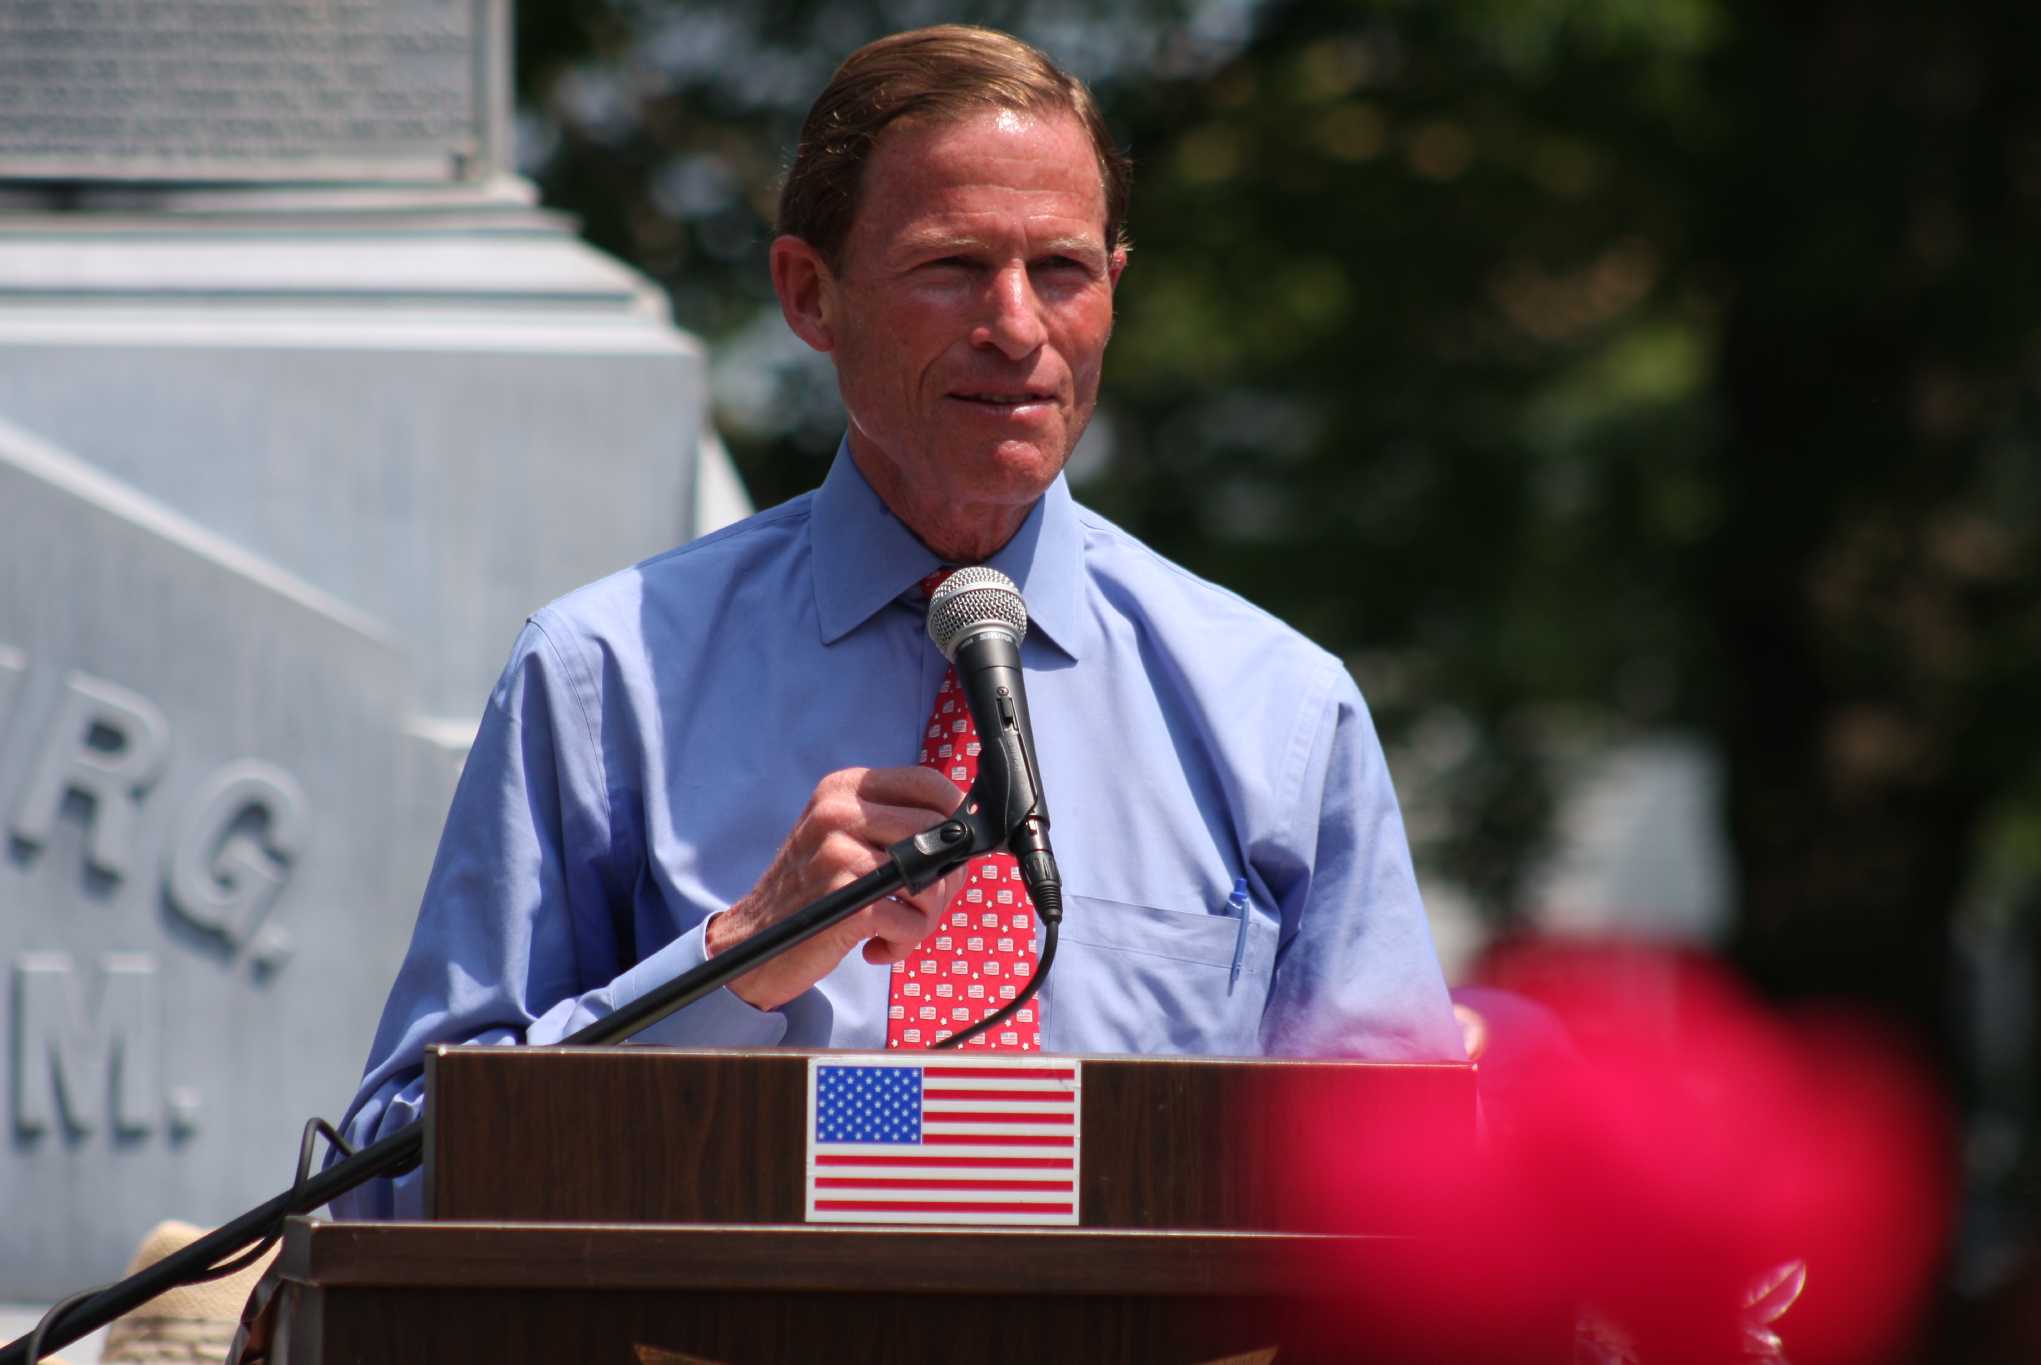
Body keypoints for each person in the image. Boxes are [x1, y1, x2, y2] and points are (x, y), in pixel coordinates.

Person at [332, 24, 1461, 1219]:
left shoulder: (1275, 705)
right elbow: (392, 1182)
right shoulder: (602, 678)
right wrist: (736, 960)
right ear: (809, 296)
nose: (1017, 326)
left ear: (1114, 291)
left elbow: (1419, 1204)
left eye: (1062, 270)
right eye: (952, 266)